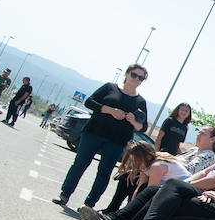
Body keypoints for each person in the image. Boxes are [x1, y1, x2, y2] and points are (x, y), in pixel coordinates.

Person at [54, 65, 149, 208]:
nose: (137, 79)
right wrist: (110, 110)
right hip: (93, 133)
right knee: (79, 164)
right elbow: (89, 102)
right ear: (127, 74)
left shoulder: (140, 101)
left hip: (117, 141)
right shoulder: (110, 87)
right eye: (134, 75)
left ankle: (89, 204)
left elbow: (143, 127)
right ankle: (64, 194)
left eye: (141, 78)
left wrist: (133, 121)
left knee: (104, 172)